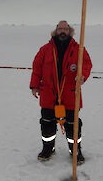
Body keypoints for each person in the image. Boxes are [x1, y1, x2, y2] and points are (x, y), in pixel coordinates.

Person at [30, 20, 92, 165]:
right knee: (47, 123)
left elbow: (87, 63)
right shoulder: (45, 49)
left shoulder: (78, 49)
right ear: (56, 31)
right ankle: (48, 149)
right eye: (60, 29)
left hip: (70, 93)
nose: (63, 31)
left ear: (70, 31)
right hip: (48, 93)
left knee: (73, 124)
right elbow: (37, 67)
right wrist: (34, 85)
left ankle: (75, 150)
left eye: (65, 29)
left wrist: (82, 75)